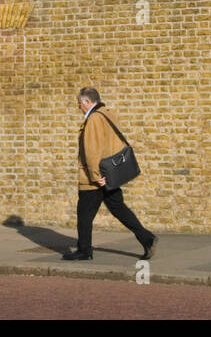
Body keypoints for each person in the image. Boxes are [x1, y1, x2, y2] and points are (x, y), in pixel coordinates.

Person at [62, 87, 157, 262]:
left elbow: (92, 150)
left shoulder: (93, 119)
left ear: (87, 102)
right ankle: (146, 238)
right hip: (109, 174)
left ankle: (84, 250)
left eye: (79, 104)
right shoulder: (108, 114)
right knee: (119, 208)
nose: (79, 107)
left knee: (84, 213)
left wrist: (94, 175)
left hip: (96, 177)